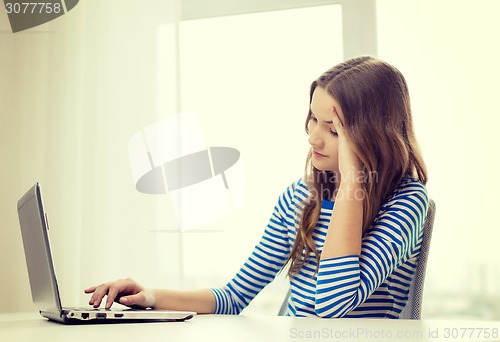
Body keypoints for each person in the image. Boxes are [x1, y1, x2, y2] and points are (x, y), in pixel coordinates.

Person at [85, 56, 428, 318]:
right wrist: (150, 297)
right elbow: (234, 296)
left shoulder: (407, 202)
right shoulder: (300, 197)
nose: (313, 137)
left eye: (333, 129)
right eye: (312, 118)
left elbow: (332, 305)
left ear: (372, 136)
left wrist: (352, 180)